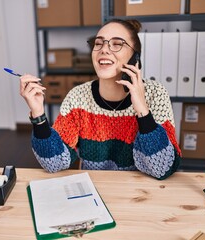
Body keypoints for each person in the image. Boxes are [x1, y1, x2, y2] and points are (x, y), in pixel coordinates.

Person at [19, 18, 182, 180]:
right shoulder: (78, 97)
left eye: (117, 43)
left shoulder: (155, 94)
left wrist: (143, 111)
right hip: (95, 191)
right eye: (98, 43)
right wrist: (38, 114)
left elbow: (163, 168)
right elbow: (53, 163)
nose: (104, 49)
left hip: (141, 193)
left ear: (135, 58)